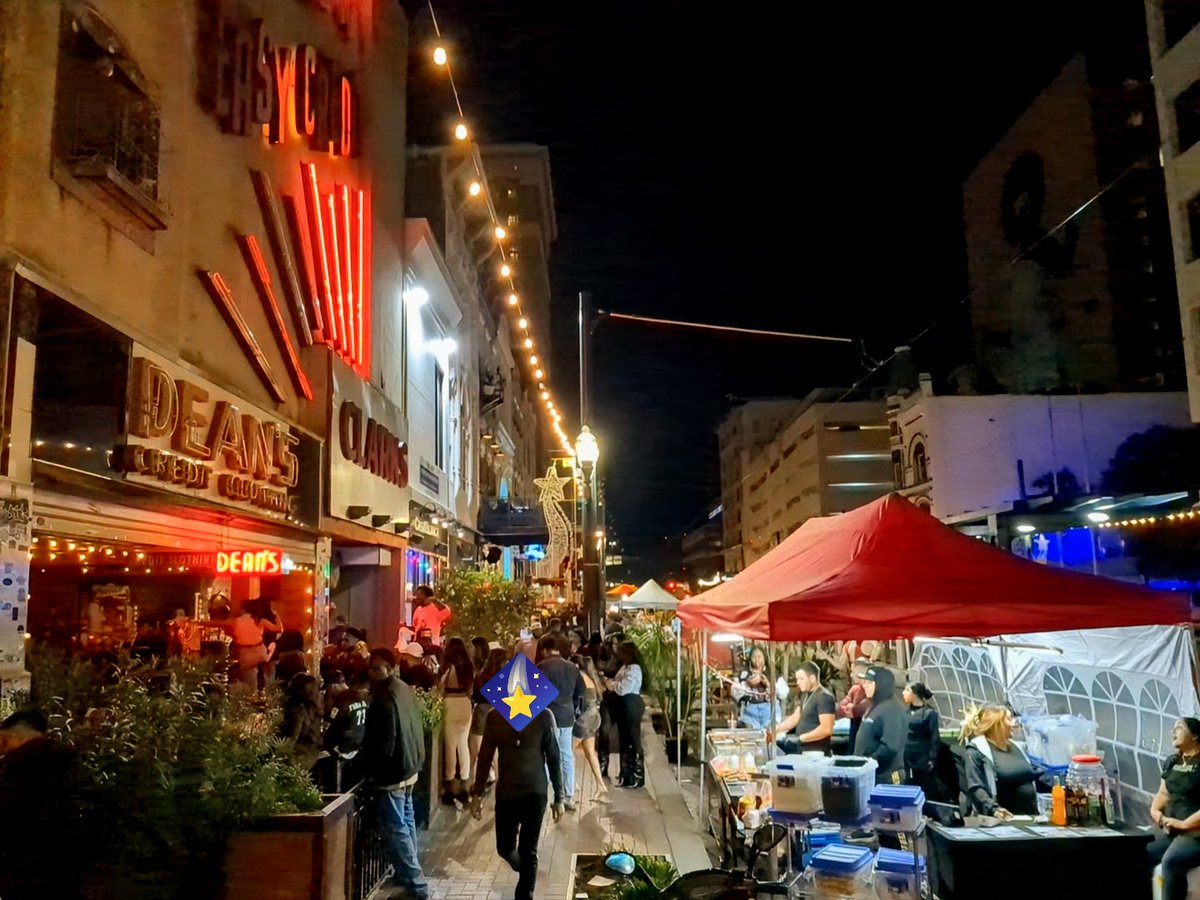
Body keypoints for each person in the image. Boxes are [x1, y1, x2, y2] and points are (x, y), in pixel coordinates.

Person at [469, 706, 565, 900]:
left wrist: (559, 797)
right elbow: (485, 755)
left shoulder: (544, 716)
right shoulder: (495, 716)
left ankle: (524, 893)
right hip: (507, 793)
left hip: (535, 792)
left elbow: (554, 757)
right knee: (504, 847)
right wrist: (477, 793)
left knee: (528, 850)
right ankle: (528, 871)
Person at [362, 648, 429, 900]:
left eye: (377, 668)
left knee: (396, 826)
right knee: (406, 820)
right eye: (371, 666)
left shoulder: (384, 698)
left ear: (390, 668)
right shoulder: (402, 689)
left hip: (394, 773)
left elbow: (384, 743)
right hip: (409, 766)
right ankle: (409, 874)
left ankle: (415, 882)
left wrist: (372, 771)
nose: (372, 672)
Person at [0, 709, 83, 899]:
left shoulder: (18, 766)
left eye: (4, 741)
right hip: (63, 874)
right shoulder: (70, 765)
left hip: (23, 873)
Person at [1148, 718, 1200, 900]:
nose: (1173, 732)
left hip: (1195, 831)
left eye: (1179, 728)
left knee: (1172, 861)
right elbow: (1163, 794)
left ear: (1195, 736)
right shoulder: (1172, 761)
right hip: (1169, 826)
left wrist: (1185, 824)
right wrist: (1156, 813)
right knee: (1137, 850)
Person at [959, 703, 1037, 819]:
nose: (1014, 724)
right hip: (1001, 821)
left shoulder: (1017, 747)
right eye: (1009, 719)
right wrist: (993, 809)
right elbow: (975, 787)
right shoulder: (977, 750)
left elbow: (1037, 773)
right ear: (997, 724)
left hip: (1031, 818)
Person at [538, 634, 584, 810]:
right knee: (566, 756)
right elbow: (580, 691)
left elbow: (536, 693)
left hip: (548, 715)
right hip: (567, 716)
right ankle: (568, 795)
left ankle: (545, 793)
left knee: (546, 755)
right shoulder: (572, 668)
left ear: (546, 649)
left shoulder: (543, 666)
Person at [854, 665, 908, 784]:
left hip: (886, 778)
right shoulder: (875, 706)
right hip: (871, 775)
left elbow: (890, 747)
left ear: (881, 684)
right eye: (864, 682)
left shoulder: (892, 710)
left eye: (869, 682)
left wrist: (868, 763)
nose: (864, 685)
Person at [606, 640, 647, 789]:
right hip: (623, 706)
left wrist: (611, 685)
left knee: (632, 739)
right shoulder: (625, 667)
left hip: (631, 704)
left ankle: (636, 775)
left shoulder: (634, 670)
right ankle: (626, 773)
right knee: (624, 739)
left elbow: (623, 688)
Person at [440, 637, 475, 805]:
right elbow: (471, 689)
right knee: (463, 744)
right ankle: (465, 783)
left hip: (451, 703)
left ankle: (450, 784)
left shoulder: (448, 668)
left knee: (450, 745)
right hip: (465, 705)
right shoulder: (468, 668)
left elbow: (440, 688)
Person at [772, 661, 836, 754]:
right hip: (802, 749)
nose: (798, 682)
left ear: (812, 678)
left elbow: (826, 729)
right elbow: (795, 718)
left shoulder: (824, 697)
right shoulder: (804, 694)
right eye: (797, 679)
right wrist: (776, 729)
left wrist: (800, 738)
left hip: (817, 752)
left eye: (801, 679)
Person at [572, 654, 609, 804]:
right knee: (590, 753)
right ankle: (601, 785)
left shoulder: (578, 679)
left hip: (585, 719)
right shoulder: (590, 677)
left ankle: (573, 786)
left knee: (567, 751)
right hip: (594, 716)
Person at [470, 648, 507, 784]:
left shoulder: (482, 675)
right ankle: (499, 780)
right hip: (499, 712)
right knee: (497, 752)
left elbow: (474, 695)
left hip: (481, 711)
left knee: (477, 751)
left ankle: (474, 783)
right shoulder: (505, 677)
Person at [903, 682, 942, 797]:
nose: (903, 693)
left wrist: (932, 759)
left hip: (921, 760)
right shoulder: (905, 712)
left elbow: (935, 737)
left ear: (915, 694)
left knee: (923, 788)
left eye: (907, 690)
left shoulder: (929, 714)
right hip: (906, 759)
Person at [232, 601, 282, 688]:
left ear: (244, 609)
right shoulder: (260, 621)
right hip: (260, 651)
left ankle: (252, 695)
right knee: (265, 678)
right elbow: (279, 629)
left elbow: (218, 623)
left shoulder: (238, 621)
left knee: (249, 680)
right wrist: (277, 615)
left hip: (246, 654)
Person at [280, 672, 324, 771]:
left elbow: (291, 740)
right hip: (313, 752)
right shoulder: (316, 706)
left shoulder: (297, 711)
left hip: (299, 758)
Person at [837, 657, 873, 749]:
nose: (851, 675)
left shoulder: (871, 689)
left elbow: (859, 710)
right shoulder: (855, 688)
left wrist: (851, 708)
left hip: (866, 728)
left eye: (853, 672)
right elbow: (844, 703)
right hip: (854, 727)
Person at [736, 647, 774, 730]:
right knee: (752, 735)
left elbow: (783, 693)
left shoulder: (772, 673)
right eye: (754, 657)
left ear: (764, 659)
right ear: (750, 660)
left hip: (769, 710)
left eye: (759, 656)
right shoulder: (744, 674)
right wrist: (747, 684)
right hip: (749, 711)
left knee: (768, 734)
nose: (757, 659)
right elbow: (735, 692)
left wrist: (767, 684)